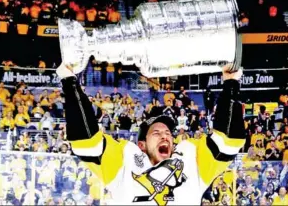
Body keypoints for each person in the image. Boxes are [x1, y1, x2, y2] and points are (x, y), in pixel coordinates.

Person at [56, 62, 245, 205]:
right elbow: (86, 142)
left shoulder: (190, 157)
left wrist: (231, 83)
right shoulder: (126, 159)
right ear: (142, 145)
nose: (165, 135)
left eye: (168, 133)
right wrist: (69, 83)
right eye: (156, 132)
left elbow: (228, 142)